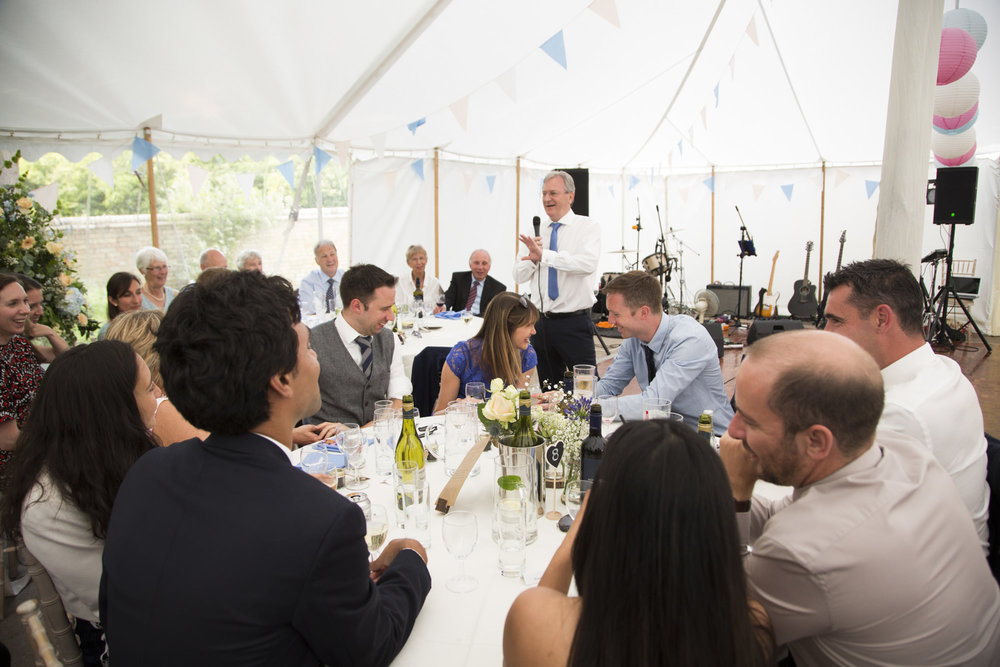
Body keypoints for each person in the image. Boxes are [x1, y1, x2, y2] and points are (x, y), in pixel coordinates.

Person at [100, 270, 431, 665]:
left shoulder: (147, 473)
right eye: (309, 349)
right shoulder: (321, 520)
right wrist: (411, 561)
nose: (316, 361)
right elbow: (368, 647)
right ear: (281, 380)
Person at [720, 329, 1000, 665]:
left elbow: (730, 632)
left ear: (817, 442)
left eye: (749, 421)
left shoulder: (803, 552)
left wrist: (736, 494)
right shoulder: (905, 453)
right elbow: (782, 511)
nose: (732, 432)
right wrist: (712, 487)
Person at [504, 420, 774, 666]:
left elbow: (543, 603)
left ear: (605, 519)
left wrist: (578, 532)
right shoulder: (750, 629)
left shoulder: (535, 623)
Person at [0, 341, 158, 664]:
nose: (158, 397)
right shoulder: (46, 507)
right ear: (115, 410)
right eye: (150, 387)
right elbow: (123, 598)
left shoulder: (116, 454)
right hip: (122, 629)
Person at [822, 258, 989, 552]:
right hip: (950, 557)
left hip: (929, 576)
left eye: (837, 320)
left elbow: (840, 522)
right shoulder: (946, 370)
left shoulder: (902, 413)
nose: (826, 332)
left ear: (881, 319)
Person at [594, 271, 733, 431]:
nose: (610, 321)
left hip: (709, 439)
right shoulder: (633, 338)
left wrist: (586, 408)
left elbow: (653, 403)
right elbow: (609, 385)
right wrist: (567, 399)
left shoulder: (690, 340)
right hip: (667, 433)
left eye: (615, 314)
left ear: (643, 312)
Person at [513, 170, 600, 387]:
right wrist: (533, 260)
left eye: (553, 193)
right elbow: (517, 275)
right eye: (543, 194)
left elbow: (586, 264)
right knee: (548, 387)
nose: (546, 199)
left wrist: (545, 256)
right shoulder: (536, 230)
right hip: (540, 324)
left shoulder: (587, 227)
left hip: (574, 323)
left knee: (585, 387)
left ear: (570, 196)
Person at [310, 264, 410, 426]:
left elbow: (399, 397)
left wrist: (360, 433)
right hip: (327, 447)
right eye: (384, 309)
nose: (391, 317)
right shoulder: (311, 342)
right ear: (357, 306)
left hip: (377, 443)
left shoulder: (389, 339)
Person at [433, 292, 538, 412]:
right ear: (506, 326)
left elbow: (516, 408)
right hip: (466, 426)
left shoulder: (527, 356)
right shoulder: (461, 357)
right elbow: (438, 414)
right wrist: (459, 408)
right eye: (528, 325)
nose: (534, 331)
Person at [0, 274, 44, 475]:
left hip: (35, 459)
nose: (25, 310)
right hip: (12, 473)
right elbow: (7, 439)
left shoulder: (18, 345)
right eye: (13, 303)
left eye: (25, 301)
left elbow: (47, 390)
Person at [15, 274, 70, 361]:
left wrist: (51, 333)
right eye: (32, 306)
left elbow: (65, 357)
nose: (40, 312)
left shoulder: (18, 344)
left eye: (41, 304)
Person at [443, 249, 506, 316]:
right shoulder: (458, 278)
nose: (480, 267)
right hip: (459, 320)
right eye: (476, 263)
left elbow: (494, 313)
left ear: (489, 267)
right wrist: (443, 306)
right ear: (470, 264)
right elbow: (448, 297)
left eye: (484, 263)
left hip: (482, 322)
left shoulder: (498, 288)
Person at [298, 240, 344, 315]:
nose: (330, 259)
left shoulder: (347, 278)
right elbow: (309, 313)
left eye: (332, 254)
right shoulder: (307, 282)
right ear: (317, 261)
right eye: (324, 256)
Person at [395, 244, 445, 313]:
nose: (419, 262)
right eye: (414, 259)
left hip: (430, 321)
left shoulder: (434, 282)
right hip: (407, 321)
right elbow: (397, 306)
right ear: (408, 263)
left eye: (421, 258)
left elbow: (440, 304)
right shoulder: (400, 282)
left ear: (426, 260)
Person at [96, 272, 144, 340]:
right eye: (127, 295)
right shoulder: (107, 332)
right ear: (113, 300)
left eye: (138, 293)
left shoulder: (150, 324)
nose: (136, 300)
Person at [135, 246, 178, 312]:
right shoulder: (137, 300)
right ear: (142, 270)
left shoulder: (176, 296)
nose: (163, 272)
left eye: (164, 267)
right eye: (157, 268)